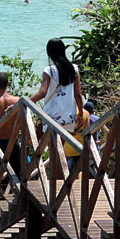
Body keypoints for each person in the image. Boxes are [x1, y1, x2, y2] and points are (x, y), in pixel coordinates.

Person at [30, 38, 86, 169]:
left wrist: (26, 100)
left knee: (53, 150)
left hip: (52, 115)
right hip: (68, 115)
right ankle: (64, 178)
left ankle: (57, 181)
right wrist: (80, 113)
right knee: (61, 147)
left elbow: (42, 92)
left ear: (49, 52)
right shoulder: (74, 69)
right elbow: (78, 94)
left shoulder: (49, 70)